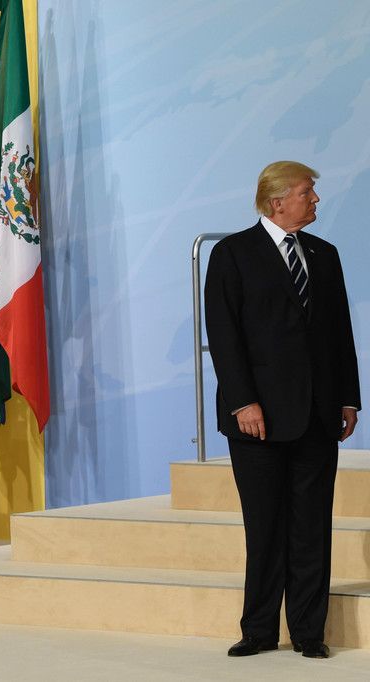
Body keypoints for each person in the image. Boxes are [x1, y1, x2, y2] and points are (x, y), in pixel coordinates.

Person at [204, 161, 360, 659]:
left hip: (317, 415)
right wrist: (243, 401)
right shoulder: (233, 254)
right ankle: (259, 630)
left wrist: (348, 397)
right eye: (307, 193)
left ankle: (309, 631)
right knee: (265, 526)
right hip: (258, 419)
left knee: (312, 526)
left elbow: (340, 333)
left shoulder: (325, 254)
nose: (315, 200)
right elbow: (223, 335)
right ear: (277, 201)